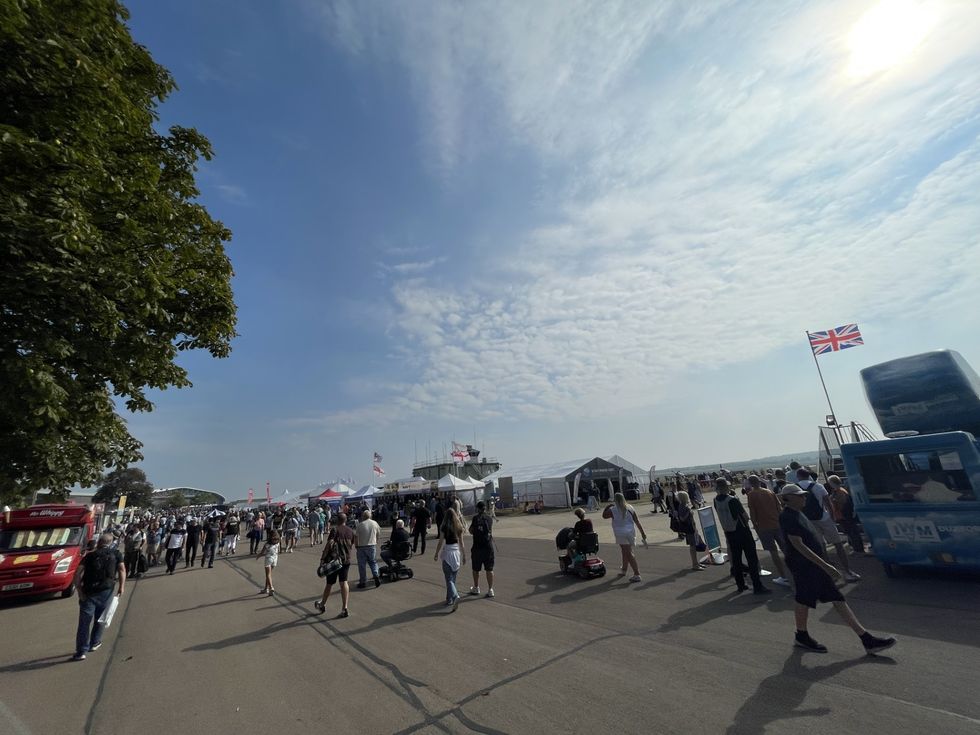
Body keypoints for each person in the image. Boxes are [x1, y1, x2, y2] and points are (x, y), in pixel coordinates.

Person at [777, 484, 895, 654]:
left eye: (803, 495)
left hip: (811, 566)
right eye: (800, 495)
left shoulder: (798, 514)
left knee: (831, 598)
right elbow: (798, 545)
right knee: (805, 599)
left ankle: (865, 639)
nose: (804, 497)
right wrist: (825, 565)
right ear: (788, 499)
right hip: (805, 566)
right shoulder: (787, 517)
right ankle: (803, 636)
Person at [795, 468, 861, 582]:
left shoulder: (795, 488)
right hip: (824, 518)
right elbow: (828, 503)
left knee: (821, 547)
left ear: (798, 476)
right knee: (838, 544)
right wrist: (832, 517)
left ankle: (830, 573)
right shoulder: (818, 486)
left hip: (808, 521)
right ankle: (847, 571)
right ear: (808, 475)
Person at [71, 532, 125, 661]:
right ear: (111, 543)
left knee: (84, 622)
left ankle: (81, 651)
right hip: (106, 591)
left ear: (99, 543)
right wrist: (121, 587)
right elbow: (122, 570)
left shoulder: (89, 556)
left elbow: (77, 574)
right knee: (101, 617)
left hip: (88, 591)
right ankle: (95, 642)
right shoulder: (116, 554)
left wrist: (79, 590)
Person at [713, 478, 770, 595]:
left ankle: (740, 585)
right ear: (725, 487)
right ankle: (757, 585)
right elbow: (745, 516)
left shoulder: (715, 500)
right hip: (742, 531)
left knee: (736, 560)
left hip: (729, 532)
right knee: (751, 559)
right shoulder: (732, 500)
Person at [745, 474, 791, 587]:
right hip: (777, 524)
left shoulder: (751, 495)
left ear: (751, 484)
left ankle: (783, 576)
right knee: (785, 548)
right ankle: (795, 571)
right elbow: (779, 508)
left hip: (764, 527)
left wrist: (756, 527)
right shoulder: (769, 492)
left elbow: (753, 513)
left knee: (773, 551)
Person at [315, 514, 354, 618]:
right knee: (344, 582)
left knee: (329, 583)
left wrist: (322, 559)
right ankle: (344, 607)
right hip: (346, 560)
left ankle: (322, 604)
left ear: (337, 520)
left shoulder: (335, 530)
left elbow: (329, 544)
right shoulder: (350, 531)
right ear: (346, 520)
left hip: (334, 561)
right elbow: (352, 543)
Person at [602, 491, 646, 583]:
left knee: (628, 553)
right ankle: (624, 569)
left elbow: (604, 516)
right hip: (631, 532)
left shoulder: (613, 509)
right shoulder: (630, 507)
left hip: (620, 533)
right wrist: (642, 532)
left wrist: (608, 506)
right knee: (624, 551)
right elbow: (637, 521)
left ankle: (637, 573)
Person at [434, 507, 465, 611]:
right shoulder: (459, 526)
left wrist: (436, 553)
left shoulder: (444, 527)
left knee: (449, 579)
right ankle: (449, 599)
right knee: (452, 579)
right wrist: (464, 556)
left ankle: (455, 596)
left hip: (447, 552)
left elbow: (440, 541)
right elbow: (462, 543)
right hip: (457, 553)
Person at [827, 475, 865, 554]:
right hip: (842, 515)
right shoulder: (839, 491)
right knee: (850, 532)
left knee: (852, 532)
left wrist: (833, 501)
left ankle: (858, 549)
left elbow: (843, 504)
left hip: (844, 515)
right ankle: (855, 548)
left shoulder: (840, 492)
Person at [468, 501, 495, 598]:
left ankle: (476, 587)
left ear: (478, 509)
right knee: (489, 569)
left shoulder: (475, 518)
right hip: (488, 547)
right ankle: (490, 589)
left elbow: (470, 531)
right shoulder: (489, 518)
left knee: (476, 569)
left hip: (477, 547)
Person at [674, 491, 706, 571]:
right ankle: (694, 564)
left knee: (694, 545)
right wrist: (689, 512)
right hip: (689, 528)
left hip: (692, 527)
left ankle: (696, 563)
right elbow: (682, 518)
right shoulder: (682, 506)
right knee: (693, 546)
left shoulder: (684, 505)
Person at [354, 509, 382, 589]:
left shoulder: (360, 524)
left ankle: (363, 582)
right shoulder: (375, 523)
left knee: (362, 565)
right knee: (373, 562)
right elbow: (378, 533)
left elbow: (356, 536)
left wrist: (356, 546)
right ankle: (376, 575)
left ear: (363, 516)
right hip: (371, 545)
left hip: (362, 546)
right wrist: (376, 540)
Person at [256, 529, 280, 596]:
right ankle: (265, 588)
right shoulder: (278, 542)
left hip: (268, 559)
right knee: (268, 574)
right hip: (275, 559)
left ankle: (271, 587)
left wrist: (258, 556)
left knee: (268, 574)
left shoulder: (267, 544)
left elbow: (262, 552)